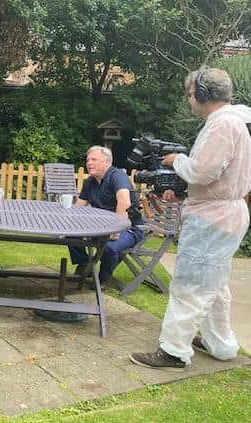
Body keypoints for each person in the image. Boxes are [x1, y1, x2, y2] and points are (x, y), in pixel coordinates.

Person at [130, 67, 251, 370]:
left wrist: (176, 161)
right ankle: (221, 345)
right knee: (215, 284)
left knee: (190, 285)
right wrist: (184, 192)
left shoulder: (223, 124)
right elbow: (216, 176)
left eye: (189, 94)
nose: (189, 100)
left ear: (202, 93)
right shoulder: (235, 122)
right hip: (222, 210)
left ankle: (173, 351)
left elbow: (202, 170)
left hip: (214, 217)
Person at [69, 146, 144, 286]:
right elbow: (78, 207)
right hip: (102, 227)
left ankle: (102, 280)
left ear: (107, 162)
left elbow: (124, 202)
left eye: (94, 159)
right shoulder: (90, 182)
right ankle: (85, 265)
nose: (89, 163)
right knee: (71, 234)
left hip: (130, 228)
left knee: (109, 247)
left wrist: (116, 230)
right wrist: (67, 218)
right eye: (88, 160)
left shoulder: (117, 176)